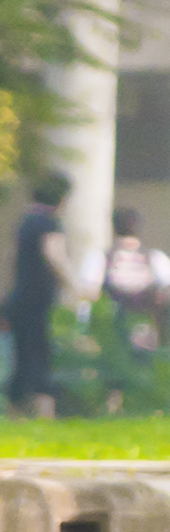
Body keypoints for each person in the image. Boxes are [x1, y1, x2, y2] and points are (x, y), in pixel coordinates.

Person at [7, 177, 66, 417]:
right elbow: (54, 254)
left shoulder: (25, 222)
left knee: (23, 358)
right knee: (40, 356)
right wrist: (75, 284)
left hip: (20, 299)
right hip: (37, 301)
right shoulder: (48, 223)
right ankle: (45, 414)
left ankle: (15, 413)